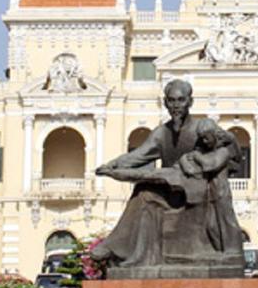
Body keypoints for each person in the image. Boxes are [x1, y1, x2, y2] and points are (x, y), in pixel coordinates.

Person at [90, 79, 245, 273]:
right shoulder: (161, 133)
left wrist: (224, 141)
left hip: (199, 190)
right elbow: (138, 155)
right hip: (172, 188)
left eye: (181, 100)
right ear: (165, 103)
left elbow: (230, 150)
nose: (176, 106)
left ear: (190, 101)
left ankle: (113, 247)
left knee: (147, 190)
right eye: (172, 101)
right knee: (143, 192)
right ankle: (132, 254)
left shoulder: (202, 127)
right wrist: (113, 165)